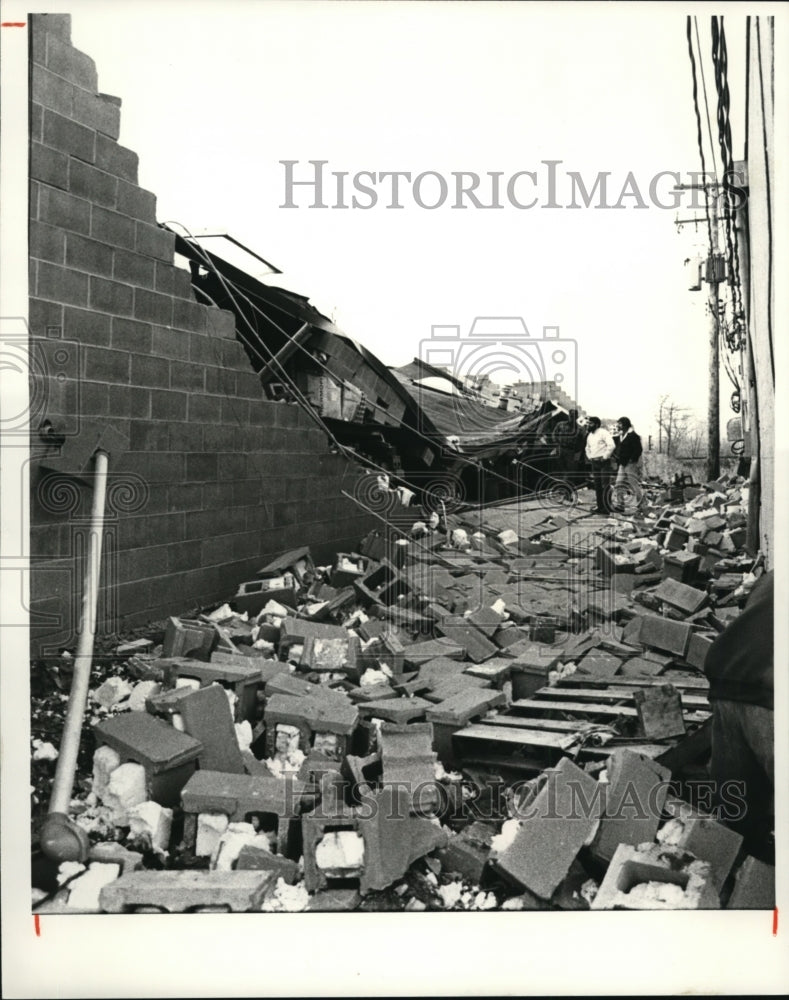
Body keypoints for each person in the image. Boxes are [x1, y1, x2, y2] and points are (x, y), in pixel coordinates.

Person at [703, 570, 774, 863]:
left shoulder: (774, 575)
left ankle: (735, 877)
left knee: (737, 803)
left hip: (728, 677)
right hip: (769, 696)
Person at [611, 416, 644, 514]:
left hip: (630, 465)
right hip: (622, 464)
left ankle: (642, 506)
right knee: (618, 484)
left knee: (634, 485)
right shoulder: (621, 436)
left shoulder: (633, 436)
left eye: (620, 423)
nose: (618, 425)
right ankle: (620, 506)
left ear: (625, 424)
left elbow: (638, 450)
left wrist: (632, 460)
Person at [584, 416, 615, 514]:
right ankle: (600, 507)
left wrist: (605, 456)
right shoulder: (589, 435)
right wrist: (590, 457)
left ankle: (607, 508)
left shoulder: (603, 432)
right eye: (588, 423)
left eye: (591, 423)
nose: (588, 425)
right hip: (594, 462)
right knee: (597, 485)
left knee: (605, 485)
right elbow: (587, 448)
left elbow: (612, 445)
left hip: (604, 463)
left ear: (596, 424)